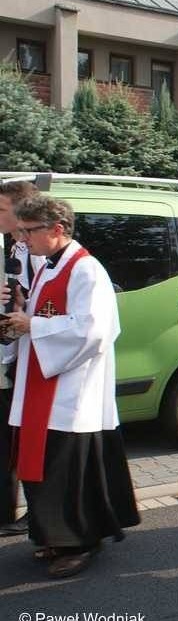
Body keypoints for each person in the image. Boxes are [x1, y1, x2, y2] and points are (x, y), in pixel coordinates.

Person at [5, 195, 139, 579]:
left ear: (57, 229)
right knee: (41, 471)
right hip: (42, 384)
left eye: (29, 231)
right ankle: (52, 536)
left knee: (66, 473)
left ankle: (80, 542)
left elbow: (95, 331)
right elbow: (46, 316)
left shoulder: (86, 270)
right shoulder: (49, 267)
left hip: (71, 394)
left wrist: (36, 326)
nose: (23, 237)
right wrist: (21, 320)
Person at [0, 181, 45, 538]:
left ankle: (35, 513)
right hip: (13, 355)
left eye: (1, 209)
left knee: (25, 439)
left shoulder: (39, 252)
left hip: (30, 360)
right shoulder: (11, 246)